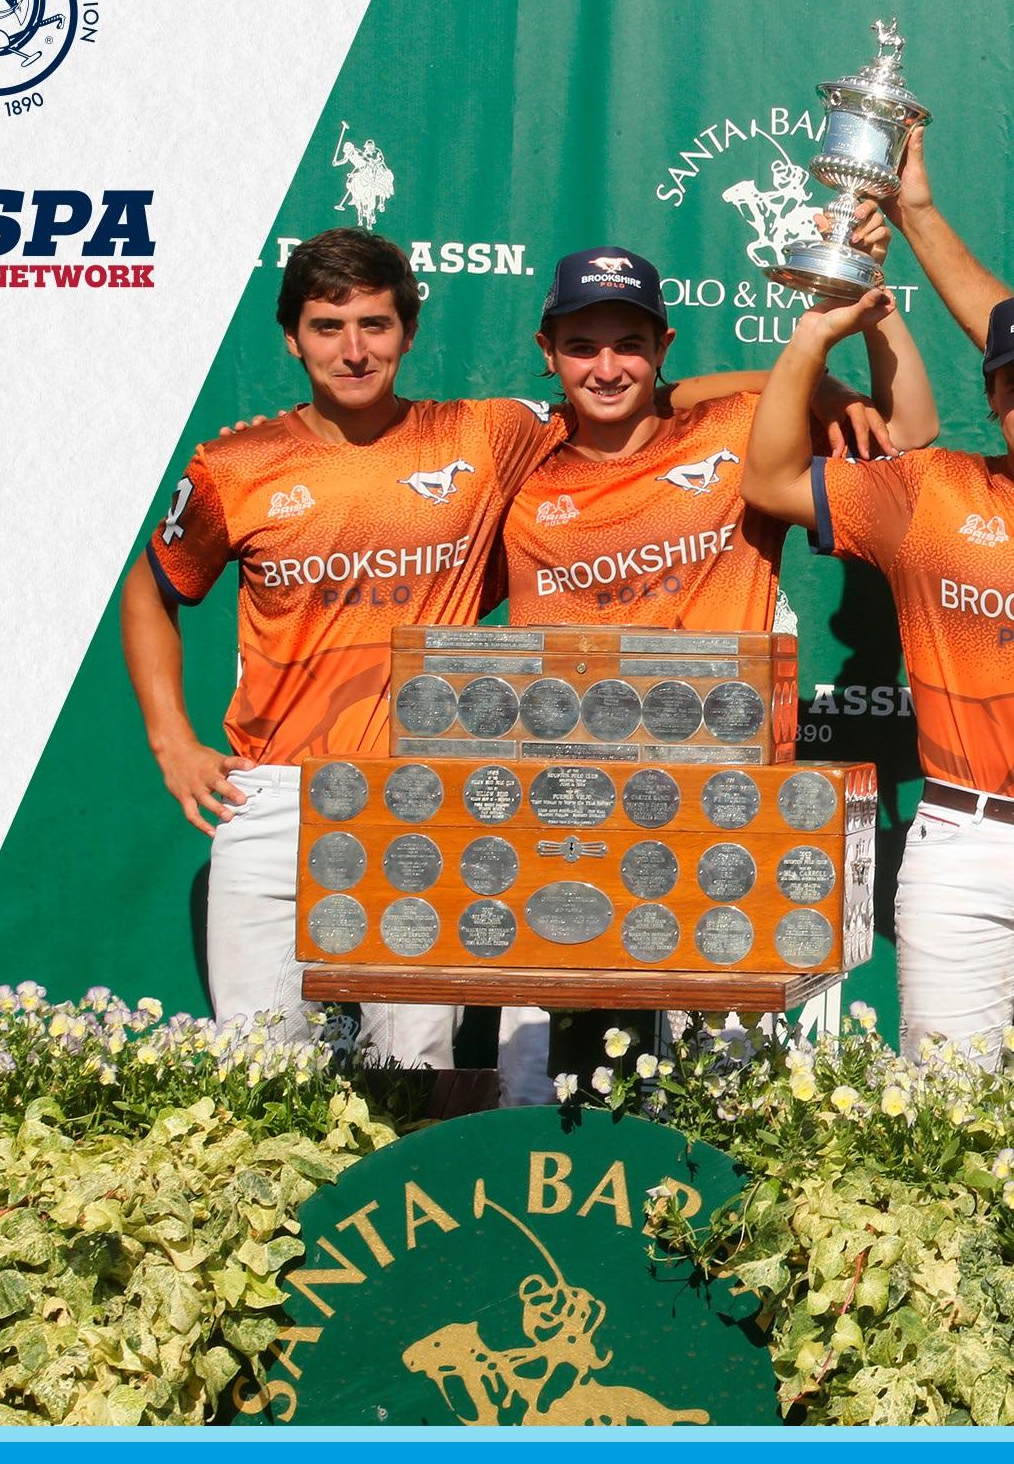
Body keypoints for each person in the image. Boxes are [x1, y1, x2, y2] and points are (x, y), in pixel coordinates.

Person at [121, 228, 747, 1082]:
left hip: (414, 796)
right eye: (327, 327)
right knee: (255, 1071)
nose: (353, 350)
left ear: (409, 332)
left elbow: (646, 396)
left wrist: (811, 384)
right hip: (272, 796)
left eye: (375, 325)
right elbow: (151, 589)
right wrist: (170, 740)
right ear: (291, 338)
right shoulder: (238, 464)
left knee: (412, 1073)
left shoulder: (485, 436)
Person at [493, 234, 939, 1094]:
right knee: (552, 1098)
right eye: (582, 346)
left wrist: (864, 309)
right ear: (547, 353)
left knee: (723, 1101)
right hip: (567, 822)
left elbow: (909, 437)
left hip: (724, 814)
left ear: (663, 347)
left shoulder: (739, 432)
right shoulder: (514, 464)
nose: (607, 368)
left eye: (629, 344)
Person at [741, 154, 1014, 1068]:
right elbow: (771, 480)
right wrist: (820, 334)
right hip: (966, 846)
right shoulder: (935, 494)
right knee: (945, 1113)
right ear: (993, 395)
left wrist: (918, 213)